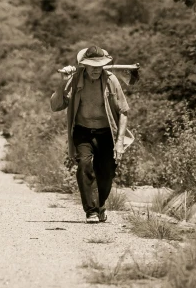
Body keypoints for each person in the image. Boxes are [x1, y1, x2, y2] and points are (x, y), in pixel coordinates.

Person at [50, 46, 134, 224]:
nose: (97, 69)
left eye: (100, 65)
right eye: (92, 65)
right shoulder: (74, 80)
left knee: (107, 173)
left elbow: (124, 111)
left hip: (107, 133)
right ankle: (91, 211)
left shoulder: (111, 80)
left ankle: (100, 205)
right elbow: (56, 105)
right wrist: (62, 82)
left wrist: (119, 142)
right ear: (84, 65)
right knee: (85, 166)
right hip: (83, 131)